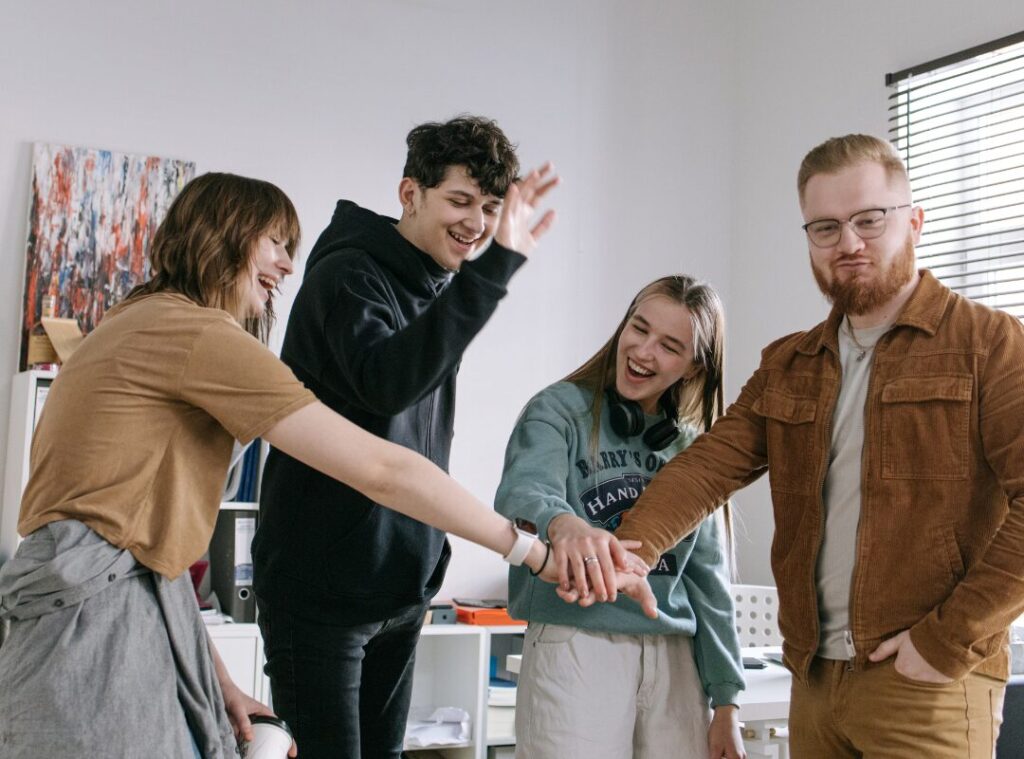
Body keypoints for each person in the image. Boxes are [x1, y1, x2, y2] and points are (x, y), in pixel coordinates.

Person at [0, 172, 652, 759]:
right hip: (88, 615)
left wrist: (218, 682)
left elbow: (149, 552)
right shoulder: (197, 333)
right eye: (275, 241)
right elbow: (381, 470)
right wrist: (531, 552)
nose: (287, 263)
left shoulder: (139, 322)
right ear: (224, 233)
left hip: (100, 600)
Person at [616, 134, 1023, 757]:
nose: (849, 243)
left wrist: (945, 642)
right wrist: (630, 553)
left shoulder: (991, 344)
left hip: (928, 683)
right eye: (826, 227)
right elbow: (706, 469)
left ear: (914, 221)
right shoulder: (790, 363)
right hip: (811, 680)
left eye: (869, 220)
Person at [252, 115, 571, 758]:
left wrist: (426, 568)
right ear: (410, 195)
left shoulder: (434, 285)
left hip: (401, 589)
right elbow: (386, 385)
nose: (477, 224)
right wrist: (498, 268)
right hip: (322, 596)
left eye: (488, 207)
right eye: (459, 201)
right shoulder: (348, 276)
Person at [495, 275, 746, 759]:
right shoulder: (559, 409)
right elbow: (524, 490)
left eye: (670, 346)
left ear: (695, 367)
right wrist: (564, 525)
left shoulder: (692, 448)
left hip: (675, 657)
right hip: (578, 643)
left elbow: (708, 584)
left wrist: (727, 703)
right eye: (639, 328)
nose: (644, 351)